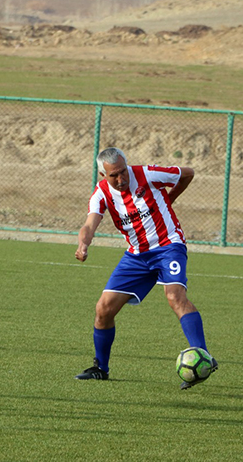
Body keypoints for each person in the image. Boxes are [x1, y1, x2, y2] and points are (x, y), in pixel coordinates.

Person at [73, 147, 216, 389]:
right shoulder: (101, 193)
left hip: (168, 245)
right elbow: (89, 224)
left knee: (174, 296)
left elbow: (187, 173)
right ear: (102, 174)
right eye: (113, 176)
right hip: (137, 256)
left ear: (127, 166)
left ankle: (203, 357)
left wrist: (170, 199)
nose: (120, 179)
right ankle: (100, 368)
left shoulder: (149, 174)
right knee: (103, 309)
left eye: (122, 172)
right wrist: (83, 244)